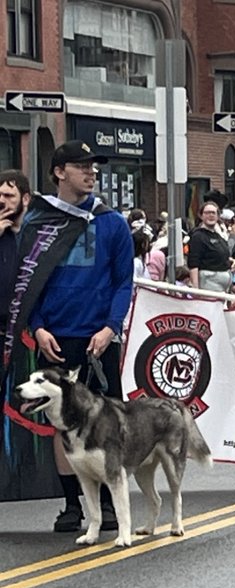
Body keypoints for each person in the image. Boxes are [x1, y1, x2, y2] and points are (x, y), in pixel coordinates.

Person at [17, 140, 134, 533]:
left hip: (97, 339)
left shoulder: (113, 223)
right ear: (59, 172)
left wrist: (110, 327)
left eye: (94, 167)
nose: (91, 173)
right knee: (62, 422)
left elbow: (123, 283)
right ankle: (72, 504)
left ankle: (108, 501)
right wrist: (37, 326)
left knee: (106, 423)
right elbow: (26, 283)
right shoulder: (38, 223)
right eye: (82, 166)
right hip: (56, 335)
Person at [0, 168, 32, 339]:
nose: (2, 201)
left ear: (25, 199)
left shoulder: (36, 235)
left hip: (26, 329)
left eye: (9, 196)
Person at [187, 201, 234, 291]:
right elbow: (193, 263)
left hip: (224, 285)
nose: (211, 215)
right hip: (208, 282)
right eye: (207, 213)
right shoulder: (198, 236)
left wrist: (233, 262)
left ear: (218, 216)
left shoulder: (219, 236)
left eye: (213, 213)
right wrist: (196, 289)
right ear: (201, 216)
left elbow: (222, 255)